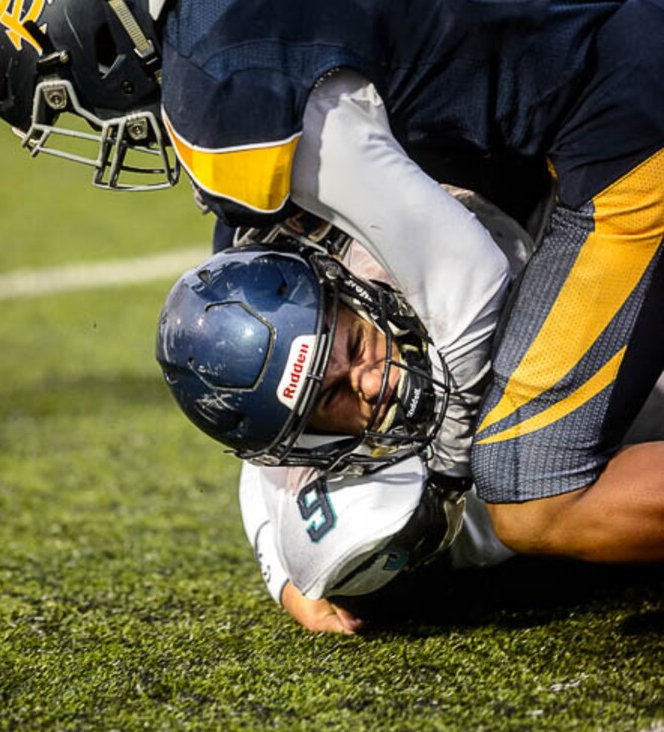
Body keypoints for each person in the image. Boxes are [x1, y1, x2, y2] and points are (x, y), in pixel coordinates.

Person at [0, 0, 662, 560]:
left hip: (623, 122)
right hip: (634, 8)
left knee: (531, 492)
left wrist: (450, 470)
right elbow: (255, 256)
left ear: (96, 35)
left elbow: (468, 278)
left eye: (61, 102)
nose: (93, 125)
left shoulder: (217, 85)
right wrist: (274, 536)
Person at [156, 205, 664, 634]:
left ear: (350, 289)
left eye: (355, 345)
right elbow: (264, 481)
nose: (374, 383)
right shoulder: (323, 465)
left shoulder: (419, 254)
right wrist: (289, 580)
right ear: (303, 437)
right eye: (332, 395)